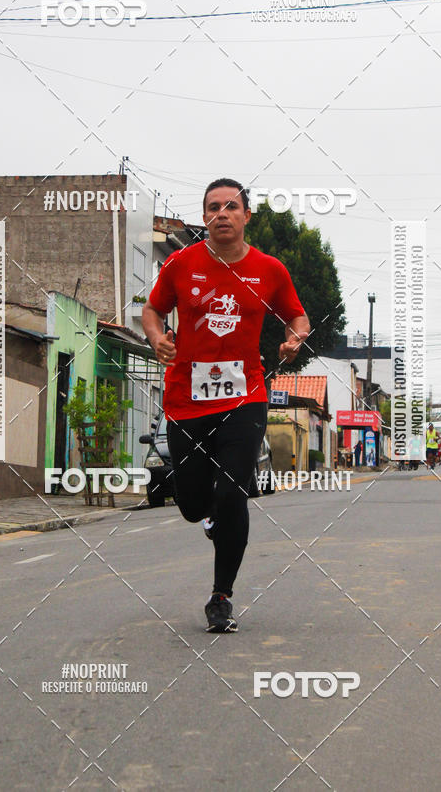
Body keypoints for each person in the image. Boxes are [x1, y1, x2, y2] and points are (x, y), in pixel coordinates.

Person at [142, 178, 310, 633]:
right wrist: (158, 338)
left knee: (233, 491)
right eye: (213, 207)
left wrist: (294, 338)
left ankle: (221, 597)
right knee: (195, 505)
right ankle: (209, 515)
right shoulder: (181, 263)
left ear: (246, 216)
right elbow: (153, 310)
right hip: (185, 399)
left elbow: (298, 315)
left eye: (230, 207)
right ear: (204, 216)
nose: (221, 214)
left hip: (245, 397)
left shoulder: (269, 269)